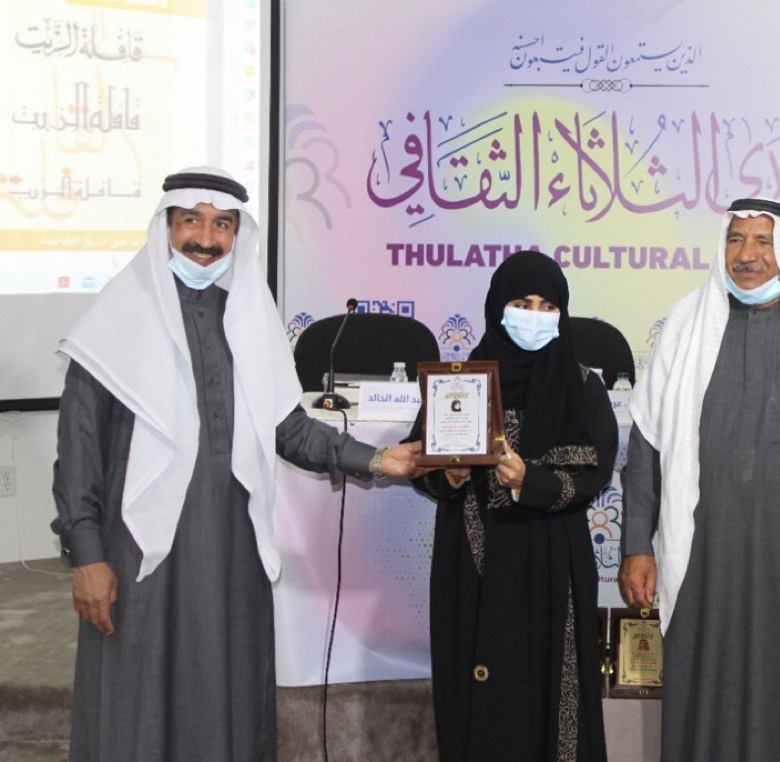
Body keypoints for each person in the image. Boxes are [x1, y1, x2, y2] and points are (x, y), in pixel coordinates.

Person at [51, 167, 422, 761]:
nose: (206, 239)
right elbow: (78, 452)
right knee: (134, 698)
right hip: (138, 554)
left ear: (236, 234)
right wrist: (88, 557)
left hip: (232, 551)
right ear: (166, 226)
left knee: (224, 694)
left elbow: (289, 428)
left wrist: (377, 459)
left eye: (222, 225)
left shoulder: (248, 316)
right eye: (191, 222)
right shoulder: (116, 322)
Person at [619, 198, 780, 761]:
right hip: (704, 558)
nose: (747, 255)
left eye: (763, 242)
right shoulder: (686, 327)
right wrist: (638, 544)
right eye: (735, 240)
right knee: (702, 688)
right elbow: (646, 444)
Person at [409, 251, 617, 762]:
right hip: (474, 558)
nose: (534, 316)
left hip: (553, 563)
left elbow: (595, 469)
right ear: (497, 306)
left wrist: (533, 481)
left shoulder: (583, 386)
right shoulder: (462, 381)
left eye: (548, 306)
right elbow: (423, 458)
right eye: (522, 304)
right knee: (479, 691)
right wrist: (450, 475)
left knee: (553, 691)